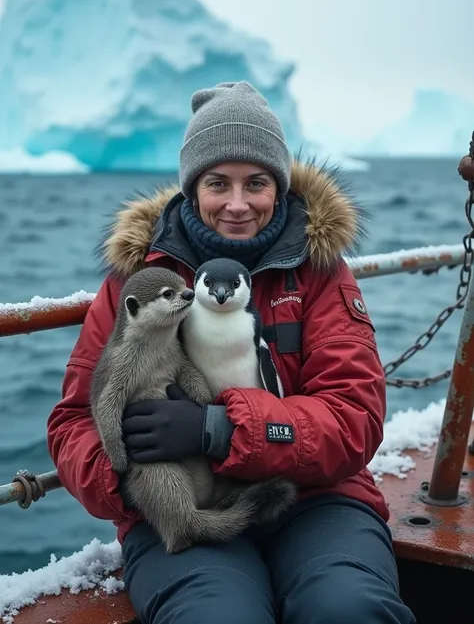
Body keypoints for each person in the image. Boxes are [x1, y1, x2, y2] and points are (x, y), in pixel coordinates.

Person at [47, 81, 416, 624]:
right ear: (193, 188)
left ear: (280, 187)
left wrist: (219, 429)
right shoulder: (142, 279)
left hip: (314, 497)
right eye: (218, 182)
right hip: (185, 510)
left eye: (257, 183)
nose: (237, 204)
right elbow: (74, 420)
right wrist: (135, 479)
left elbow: (354, 416)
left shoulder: (316, 273)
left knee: (346, 607)